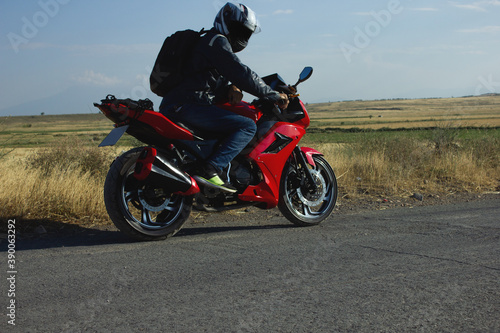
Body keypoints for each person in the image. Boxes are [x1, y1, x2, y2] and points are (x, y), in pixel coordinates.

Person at [160, 2, 288, 193]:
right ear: (224, 21)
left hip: (178, 104)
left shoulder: (205, 42)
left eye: (245, 33)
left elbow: (202, 79)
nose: (240, 36)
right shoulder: (217, 41)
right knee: (246, 126)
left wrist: (229, 88)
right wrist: (274, 95)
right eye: (238, 30)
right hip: (189, 105)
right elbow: (241, 72)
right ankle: (211, 168)